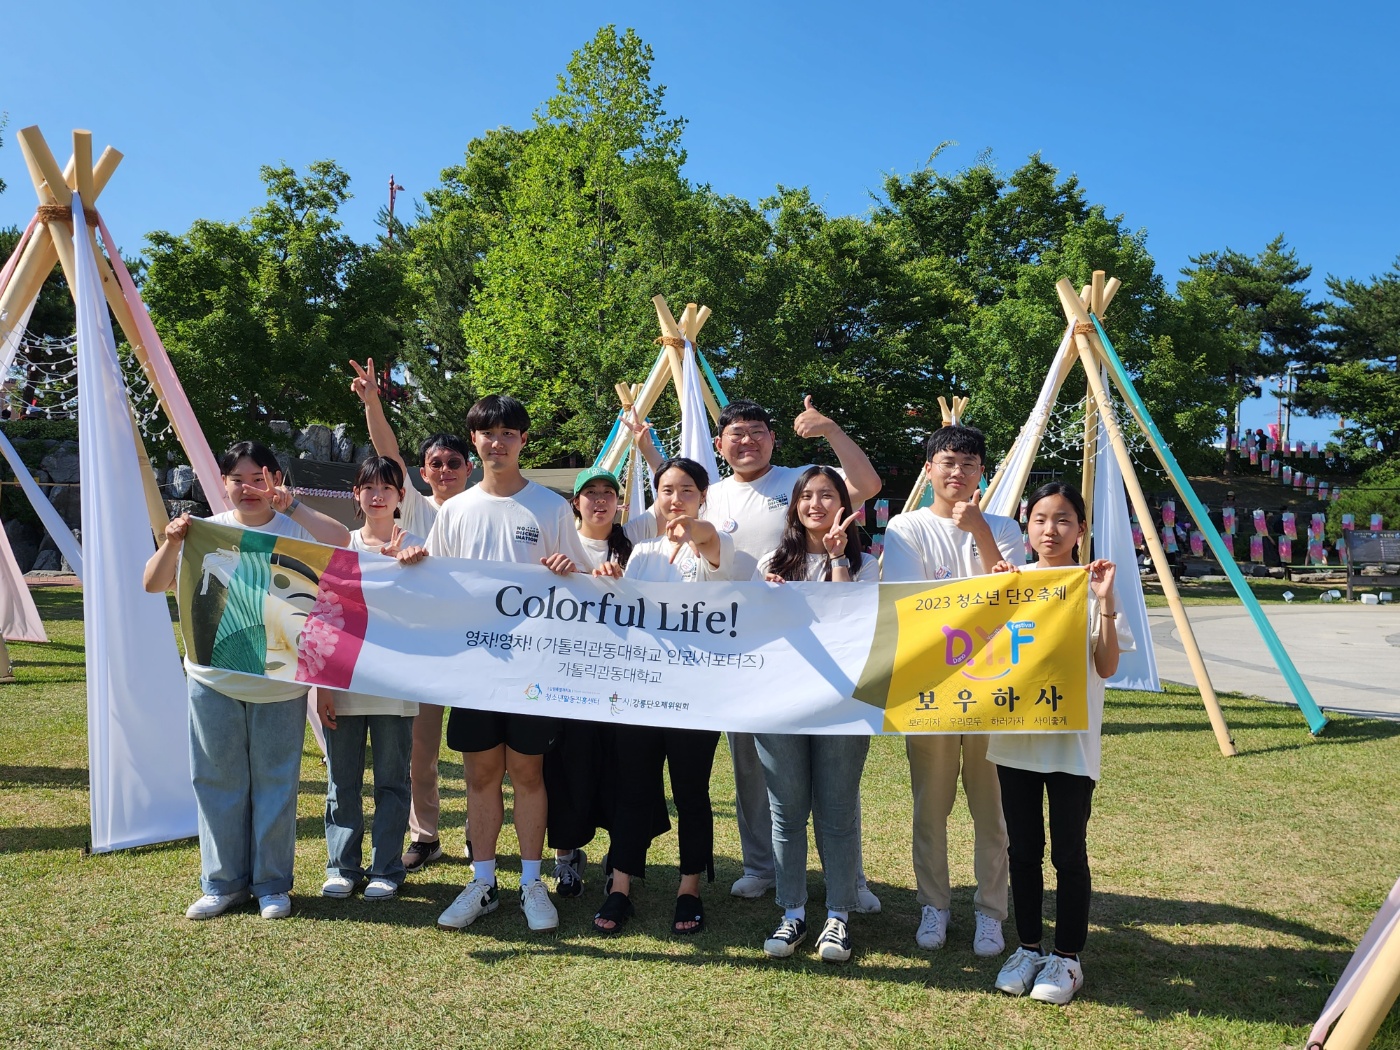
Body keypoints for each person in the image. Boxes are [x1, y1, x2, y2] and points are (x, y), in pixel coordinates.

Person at [142, 440, 350, 921]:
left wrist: (292, 504)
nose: (249, 488)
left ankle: (272, 884)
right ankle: (221, 883)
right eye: (239, 478)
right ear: (223, 483)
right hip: (212, 677)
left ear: (275, 479)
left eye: (260, 478)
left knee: (276, 783)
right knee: (216, 780)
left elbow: (343, 542)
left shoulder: (298, 532)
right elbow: (153, 584)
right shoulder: (203, 532)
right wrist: (172, 541)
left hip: (281, 684)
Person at [702, 397, 882, 905]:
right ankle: (762, 866)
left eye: (757, 431)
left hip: (826, 653)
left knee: (836, 779)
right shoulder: (711, 496)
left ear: (773, 438)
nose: (747, 441)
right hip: (745, 653)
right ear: (720, 444)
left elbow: (866, 486)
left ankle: (853, 879)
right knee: (753, 772)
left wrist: (829, 428)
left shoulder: (798, 481)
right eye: (736, 434)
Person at [429, 395, 587, 934]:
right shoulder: (454, 511)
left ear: (523, 441)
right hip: (475, 668)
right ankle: (481, 882)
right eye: (486, 434)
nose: (497, 442)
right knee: (480, 776)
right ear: (473, 441)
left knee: (528, 774)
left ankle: (531, 881)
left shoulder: (550, 507)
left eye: (508, 434)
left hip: (533, 670)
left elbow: (585, 586)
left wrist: (569, 570)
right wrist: (410, 564)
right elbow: (433, 586)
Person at [987, 482, 1133, 1005]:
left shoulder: (1090, 583)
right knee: (1022, 851)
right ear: (1027, 527)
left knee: (1069, 854)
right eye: (1041, 519)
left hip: (1071, 745)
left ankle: (1067, 958)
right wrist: (996, 596)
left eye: (1064, 519)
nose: (1052, 529)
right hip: (1015, 742)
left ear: (1081, 529)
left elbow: (1107, 665)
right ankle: (1027, 947)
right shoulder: (1010, 582)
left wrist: (1106, 603)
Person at [880, 423, 1022, 956]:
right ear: (930, 470)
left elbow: (1012, 596)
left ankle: (991, 912)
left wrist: (982, 532)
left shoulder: (1004, 526)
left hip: (995, 689)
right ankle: (933, 906)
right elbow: (910, 600)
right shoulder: (905, 527)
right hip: (931, 688)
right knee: (930, 805)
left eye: (968, 463)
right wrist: (978, 597)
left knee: (993, 810)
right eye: (948, 462)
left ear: (981, 470)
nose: (957, 472)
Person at [593, 457, 733, 937]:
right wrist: (610, 582)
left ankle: (689, 887)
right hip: (641, 691)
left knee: (691, 791)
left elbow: (710, 541)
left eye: (687, 490)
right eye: (667, 490)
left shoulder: (717, 544)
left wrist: (695, 530)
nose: (676, 499)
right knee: (632, 787)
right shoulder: (642, 551)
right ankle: (622, 883)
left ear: (703, 496)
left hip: (697, 694)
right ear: (656, 496)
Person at [351, 357, 474, 873]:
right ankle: (425, 836)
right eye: (435, 464)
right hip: (422, 650)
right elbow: (386, 452)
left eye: (453, 463)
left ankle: (478, 834)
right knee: (420, 755)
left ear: (469, 468)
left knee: (479, 756)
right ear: (420, 475)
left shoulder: (489, 511)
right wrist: (373, 403)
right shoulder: (418, 509)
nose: (444, 470)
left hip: (475, 648)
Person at [753, 466, 876, 964]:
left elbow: (850, 623)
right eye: (807, 496)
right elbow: (754, 628)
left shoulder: (865, 563)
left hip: (841, 706)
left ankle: (839, 916)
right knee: (786, 813)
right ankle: (793, 911)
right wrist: (766, 593)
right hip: (778, 703)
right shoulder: (772, 560)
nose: (816, 504)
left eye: (828, 495)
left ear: (844, 504)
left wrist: (838, 559)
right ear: (795, 506)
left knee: (837, 811)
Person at [316, 456, 429, 902]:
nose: (378, 495)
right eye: (369, 488)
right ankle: (342, 865)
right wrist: (322, 685)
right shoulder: (341, 548)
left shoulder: (418, 547)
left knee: (391, 782)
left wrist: (409, 567)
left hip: (396, 685)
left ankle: (386, 868)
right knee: (341, 780)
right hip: (345, 681)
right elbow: (324, 617)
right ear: (356, 496)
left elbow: (431, 614)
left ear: (402, 496)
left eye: (387, 487)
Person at [543, 466, 637, 899]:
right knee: (565, 773)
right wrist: (554, 572)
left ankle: (618, 862)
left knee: (618, 774)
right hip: (568, 683)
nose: (600, 500)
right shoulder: (558, 545)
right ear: (575, 502)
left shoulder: (636, 550)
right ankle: (566, 859)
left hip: (622, 684)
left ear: (619, 503)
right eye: (590, 493)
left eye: (608, 492)